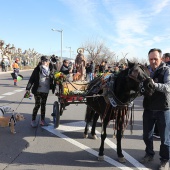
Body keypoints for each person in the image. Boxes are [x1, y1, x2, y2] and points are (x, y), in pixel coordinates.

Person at [140, 48, 170, 170]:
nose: (153, 61)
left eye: (155, 59)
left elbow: (168, 87)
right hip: (148, 108)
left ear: (161, 58)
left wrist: (154, 85)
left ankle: (164, 160)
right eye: (151, 59)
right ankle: (149, 154)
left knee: (165, 138)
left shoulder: (166, 70)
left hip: (163, 108)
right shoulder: (145, 71)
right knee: (147, 135)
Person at [26, 56, 54, 127]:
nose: (44, 62)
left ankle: (42, 120)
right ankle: (33, 120)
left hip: (45, 90)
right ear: (41, 61)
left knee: (43, 105)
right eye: (43, 61)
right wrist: (28, 88)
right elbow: (32, 79)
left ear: (48, 61)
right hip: (38, 90)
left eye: (46, 61)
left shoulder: (51, 69)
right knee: (37, 105)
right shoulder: (37, 69)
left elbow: (54, 77)